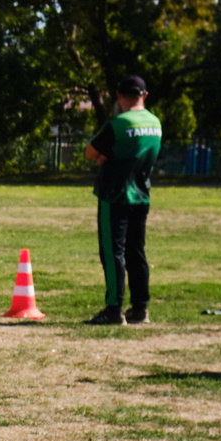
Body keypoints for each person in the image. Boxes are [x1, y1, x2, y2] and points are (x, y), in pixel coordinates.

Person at [83, 75, 161, 325]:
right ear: (145, 96)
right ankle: (140, 308)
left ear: (119, 96)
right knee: (136, 251)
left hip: (115, 194)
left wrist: (104, 156)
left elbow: (90, 152)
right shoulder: (155, 123)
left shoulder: (118, 123)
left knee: (113, 252)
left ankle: (114, 309)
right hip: (141, 194)